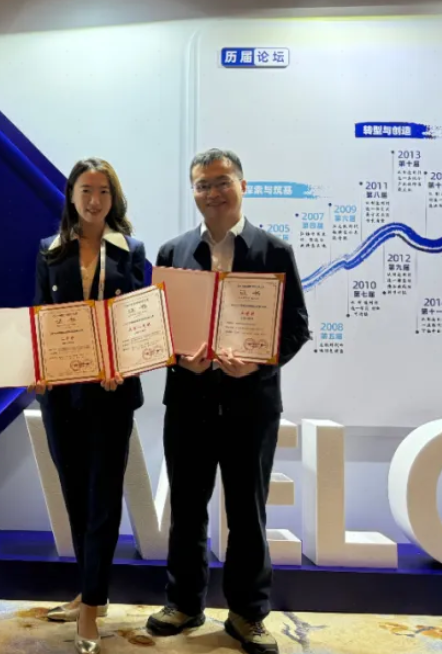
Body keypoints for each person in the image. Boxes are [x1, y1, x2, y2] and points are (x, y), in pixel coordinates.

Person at [144, 148, 310, 654]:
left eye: (221, 182)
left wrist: (257, 364)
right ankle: (184, 603)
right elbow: (156, 330)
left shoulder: (274, 250)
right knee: (187, 509)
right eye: (202, 184)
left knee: (247, 512)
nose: (212, 193)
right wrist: (180, 359)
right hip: (188, 402)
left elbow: (296, 328)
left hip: (251, 405)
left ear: (242, 185)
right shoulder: (173, 252)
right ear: (192, 191)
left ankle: (247, 614)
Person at [33, 157, 147, 654]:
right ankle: (87, 590)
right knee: (76, 496)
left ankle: (91, 607)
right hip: (62, 395)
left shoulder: (131, 250)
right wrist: (37, 367)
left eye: (103, 191)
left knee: (103, 499)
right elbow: (40, 317)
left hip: (112, 394)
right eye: (86, 190)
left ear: (113, 198)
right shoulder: (50, 250)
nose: (94, 200)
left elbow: (139, 321)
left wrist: (127, 362)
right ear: (72, 195)